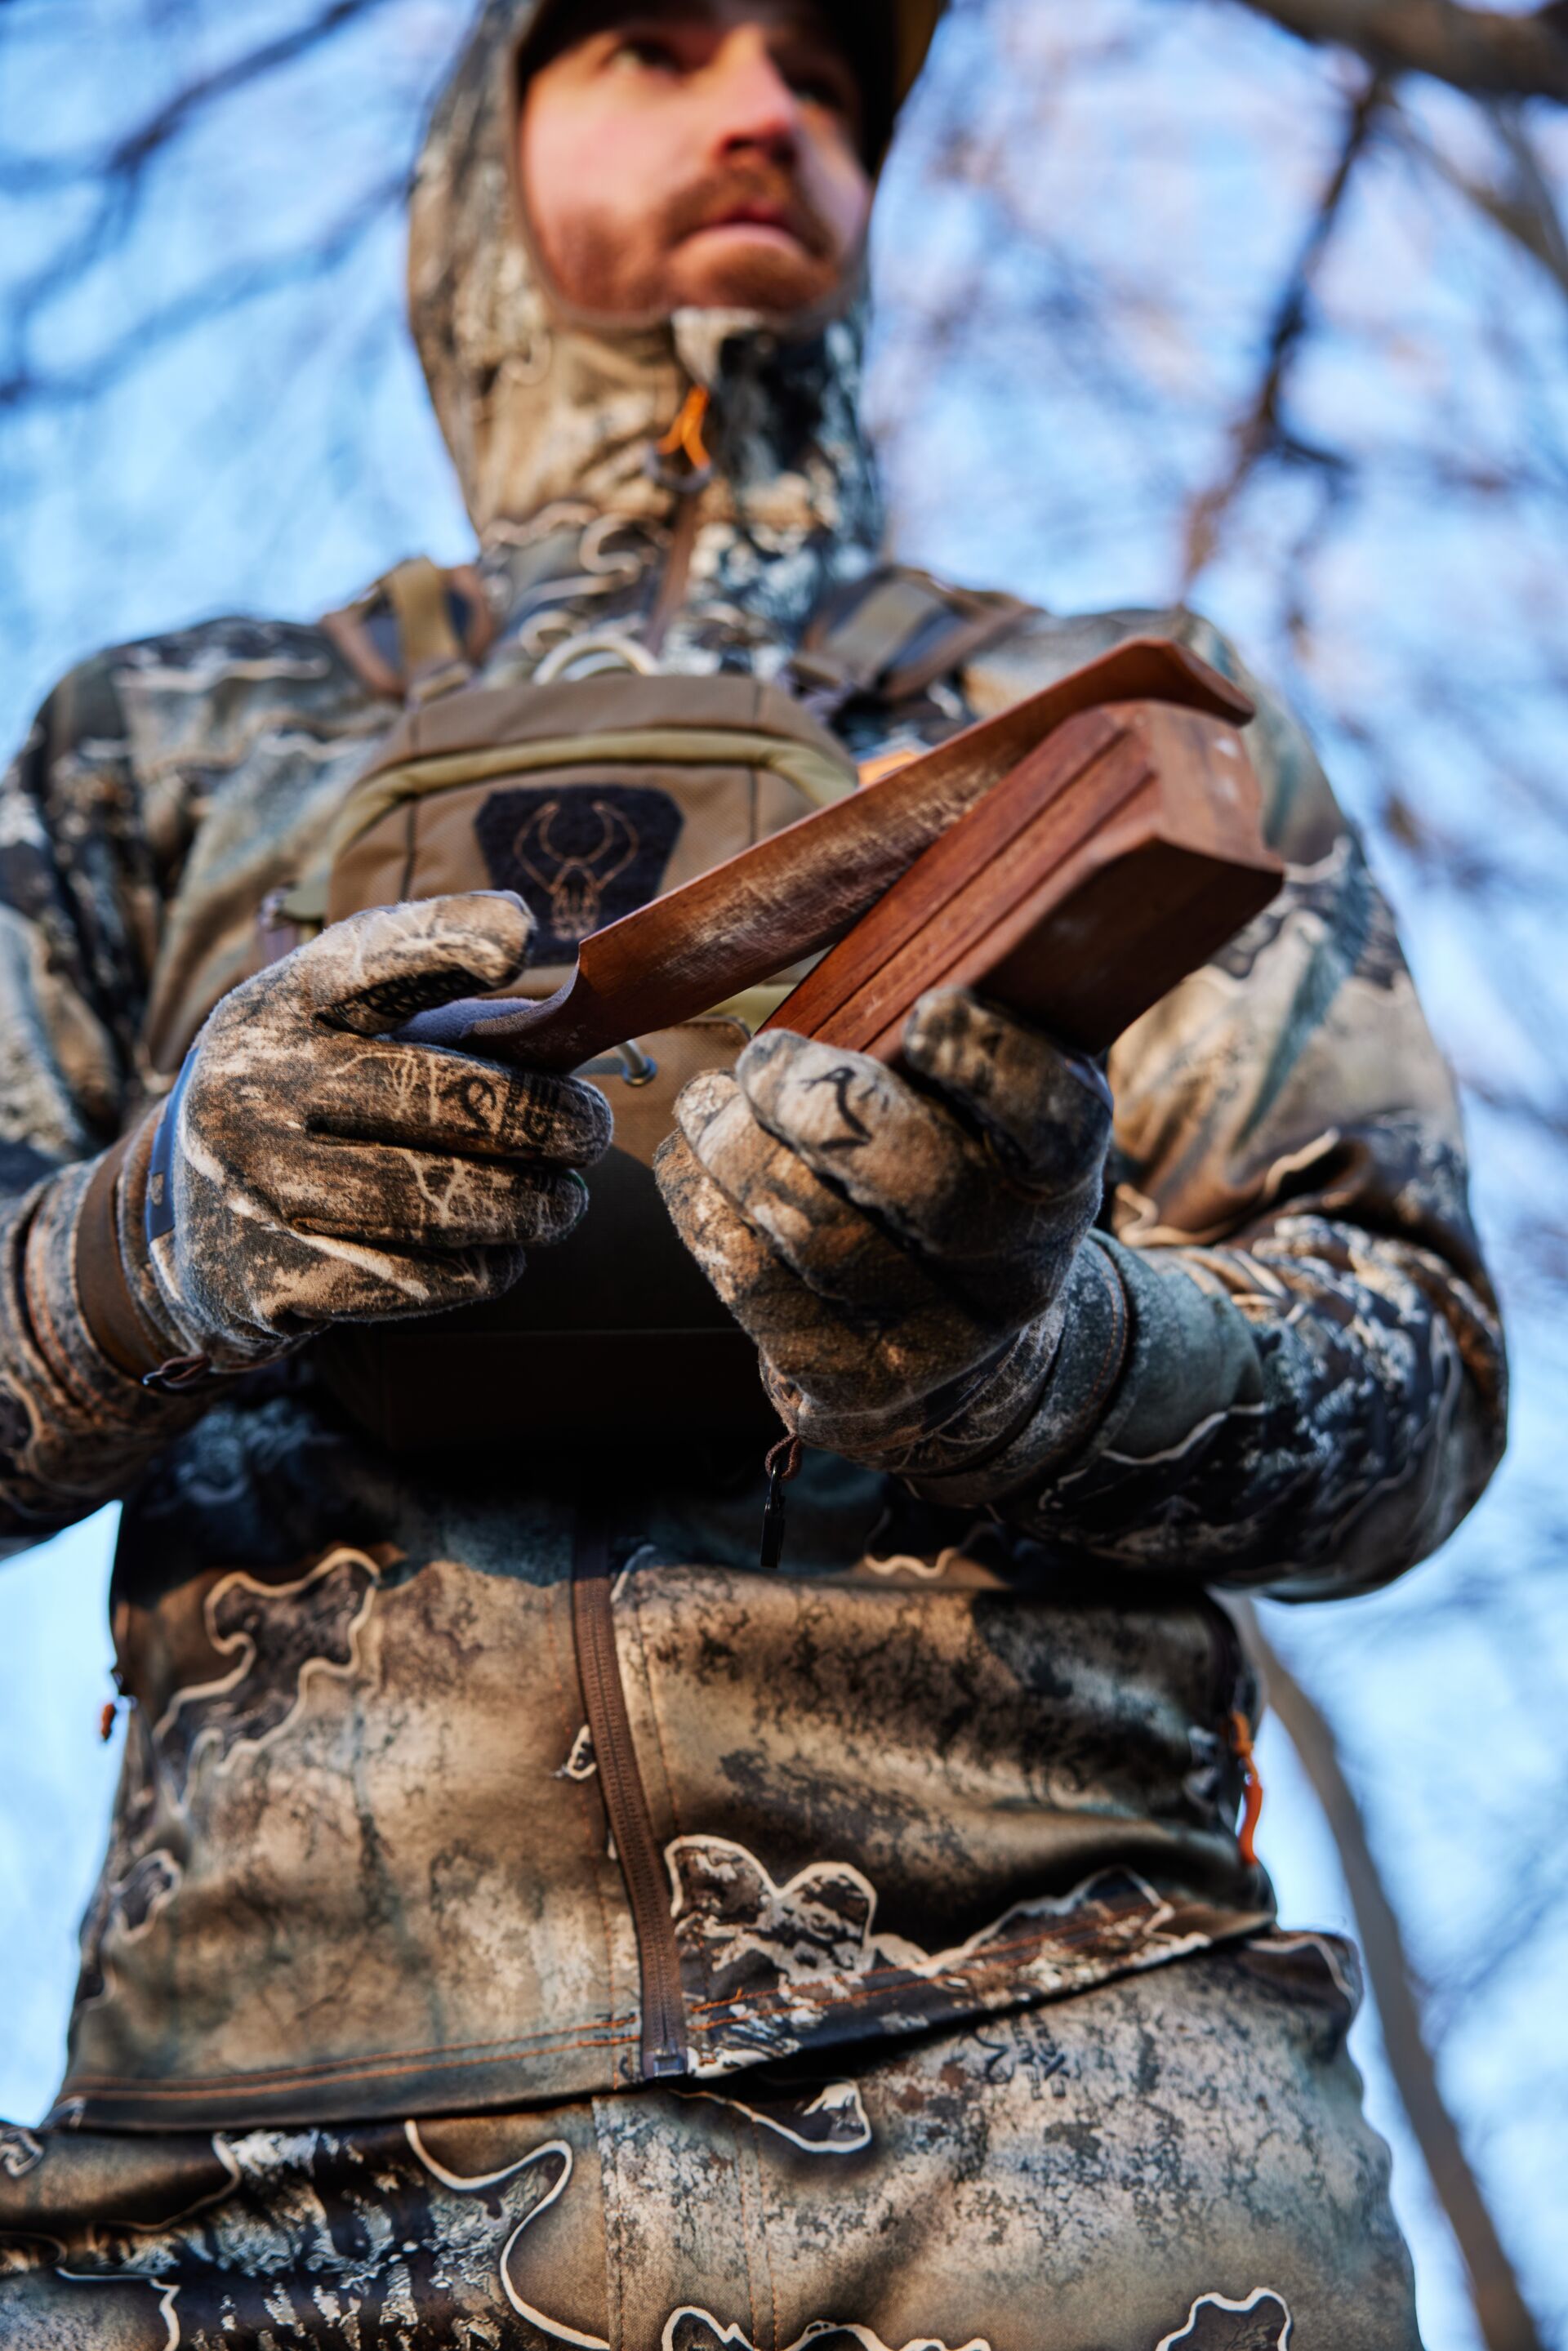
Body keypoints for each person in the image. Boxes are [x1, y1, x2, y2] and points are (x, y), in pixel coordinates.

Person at [0, 2, 1506, 2344]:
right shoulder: (154, 750)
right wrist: (158, 1246)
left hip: (1076, 2125)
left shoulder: (1111, 720)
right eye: (657, 41)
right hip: (251, 2197)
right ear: (478, 164)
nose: (766, 108)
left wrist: (1033, 1345)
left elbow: (1410, 1366)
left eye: (825, 66)